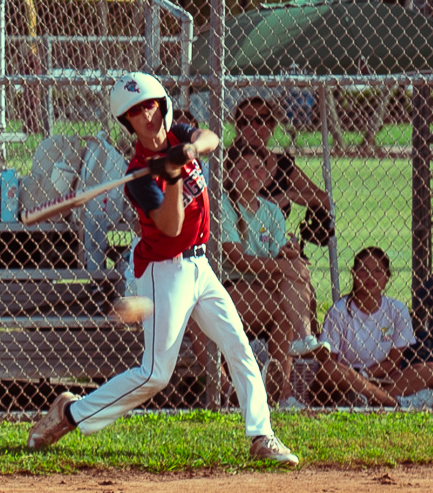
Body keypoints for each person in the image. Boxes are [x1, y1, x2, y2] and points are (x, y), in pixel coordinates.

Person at [27, 74, 297, 465]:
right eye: (136, 111)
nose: (147, 115)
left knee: (238, 346)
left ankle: (262, 436)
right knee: (155, 374)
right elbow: (169, 227)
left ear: (162, 105)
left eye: (151, 105)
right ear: (128, 122)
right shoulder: (138, 176)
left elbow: (212, 139)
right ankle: (71, 412)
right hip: (163, 271)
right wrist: (170, 177)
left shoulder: (178, 136)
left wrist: (186, 151)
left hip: (200, 264)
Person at [215, 146, 324, 404]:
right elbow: (238, 260)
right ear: (229, 174)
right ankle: (285, 387)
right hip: (232, 286)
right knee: (284, 305)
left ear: (266, 175)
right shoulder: (224, 206)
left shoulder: (272, 211)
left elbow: (276, 257)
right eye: (243, 169)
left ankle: (303, 339)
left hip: (264, 284)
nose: (251, 174)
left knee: (296, 268)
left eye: (257, 168)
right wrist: (282, 266)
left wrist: (290, 253)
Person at [312, 247, 433, 409]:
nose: (370, 276)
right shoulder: (339, 311)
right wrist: (356, 376)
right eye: (364, 270)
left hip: (384, 378)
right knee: (329, 369)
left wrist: (366, 375)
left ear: (387, 277)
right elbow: (329, 361)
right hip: (348, 379)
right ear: (353, 273)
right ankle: (396, 403)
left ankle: (368, 400)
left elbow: (394, 362)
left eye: (378, 271)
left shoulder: (397, 310)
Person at [230, 95, 337, 252]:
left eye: (261, 120)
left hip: (272, 245)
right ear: (238, 127)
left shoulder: (282, 164)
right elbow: (235, 205)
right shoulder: (226, 162)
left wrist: (291, 195)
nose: (253, 126)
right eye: (245, 121)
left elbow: (325, 200)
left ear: (272, 125)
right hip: (236, 245)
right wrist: (275, 202)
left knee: (300, 271)